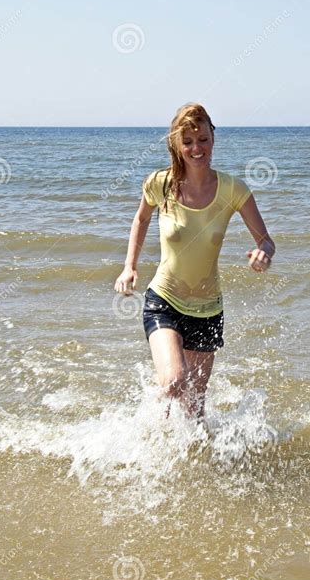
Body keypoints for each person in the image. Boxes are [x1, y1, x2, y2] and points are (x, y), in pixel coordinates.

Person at [114, 103, 275, 422]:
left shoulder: (233, 189)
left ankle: (194, 465)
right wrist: (129, 266)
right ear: (177, 144)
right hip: (164, 300)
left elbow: (264, 239)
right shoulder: (161, 184)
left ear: (212, 138)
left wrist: (263, 254)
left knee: (194, 409)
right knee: (174, 382)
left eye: (202, 138)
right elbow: (141, 219)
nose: (195, 147)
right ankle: (149, 437)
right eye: (187, 141)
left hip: (207, 310)